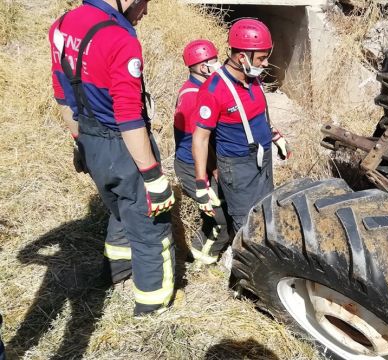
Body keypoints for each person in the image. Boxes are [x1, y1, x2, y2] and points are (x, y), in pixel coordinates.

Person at [48, 0, 176, 316]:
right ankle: (152, 305)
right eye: (144, 2)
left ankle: (116, 271)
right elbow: (129, 117)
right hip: (124, 147)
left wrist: (80, 143)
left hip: (89, 137)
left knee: (119, 210)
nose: (145, 10)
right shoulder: (121, 38)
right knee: (152, 228)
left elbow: (62, 94)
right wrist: (152, 176)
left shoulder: (62, 25)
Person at [191, 18, 291, 234]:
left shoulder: (254, 79)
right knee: (247, 224)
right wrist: (201, 184)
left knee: (267, 211)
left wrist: (276, 137)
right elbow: (200, 138)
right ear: (242, 57)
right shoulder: (214, 89)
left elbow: (258, 115)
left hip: (262, 159)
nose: (265, 64)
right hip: (238, 167)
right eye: (262, 58)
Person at [174, 39, 230, 264]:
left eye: (215, 59)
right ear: (197, 66)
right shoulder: (193, 96)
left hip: (202, 162)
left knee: (214, 211)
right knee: (220, 220)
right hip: (193, 165)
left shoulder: (200, 89)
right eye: (209, 61)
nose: (214, 65)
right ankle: (202, 258)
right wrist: (214, 169)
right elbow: (200, 142)